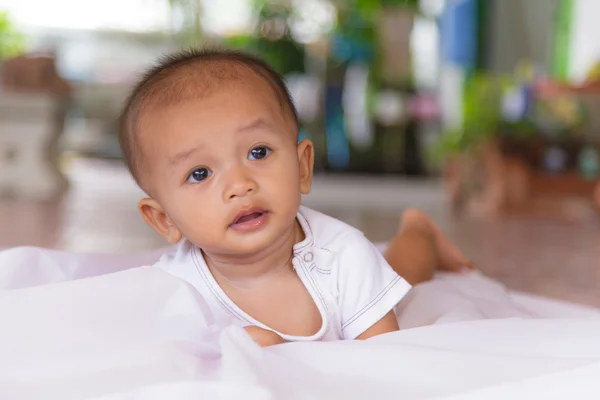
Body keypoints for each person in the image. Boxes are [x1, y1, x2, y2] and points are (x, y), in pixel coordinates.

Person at [118, 49, 474, 347]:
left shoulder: (344, 257)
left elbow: (381, 367)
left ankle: (419, 230)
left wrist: (285, 361)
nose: (240, 185)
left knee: (403, 275)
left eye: (258, 152)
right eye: (200, 174)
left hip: (349, 278)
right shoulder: (172, 291)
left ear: (303, 166)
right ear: (163, 219)